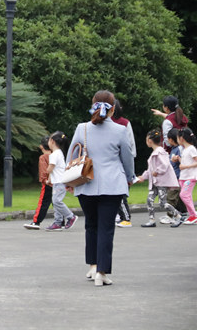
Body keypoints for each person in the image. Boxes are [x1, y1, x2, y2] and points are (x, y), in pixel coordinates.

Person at [67, 90, 134, 287]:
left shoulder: (82, 128)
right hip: (112, 184)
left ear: (93, 105)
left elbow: (72, 154)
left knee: (91, 225)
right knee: (106, 228)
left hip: (86, 182)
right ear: (113, 109)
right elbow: (127, 159)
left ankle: (93, 266)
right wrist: (129, 177)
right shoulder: (120, 131)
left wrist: (70, 181)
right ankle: (102, 273)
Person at [134, 129, 182, 228]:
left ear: (150, 141)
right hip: (155, 183)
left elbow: (165, 165)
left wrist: (157, 171)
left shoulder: (160, 152)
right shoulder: (155, 152)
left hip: (161, 182)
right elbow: (150, 170)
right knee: (149, 199)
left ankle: (178, 215)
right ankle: (152, 220)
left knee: (162, 203)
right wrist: (143, 177)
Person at [45, 131, 78, 231]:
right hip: (57, 181)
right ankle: (58, 222)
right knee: (56, 202)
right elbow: (56, 170)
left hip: (60, 182)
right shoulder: (58, 153)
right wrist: (50, 179)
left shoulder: (55, 154)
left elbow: (51, 168)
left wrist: (46, 171)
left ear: (52, 141)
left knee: (56, 201)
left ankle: (70, 216)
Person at [111, 99, 136, 228]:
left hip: (117, 162)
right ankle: (119, 215)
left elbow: (130, 146)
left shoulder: (122, 123)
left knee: (119, 192)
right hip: (120, 162)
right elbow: (131, 145)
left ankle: (124, 217)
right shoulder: (124, 123)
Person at [24, 135, 52, 230]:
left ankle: (36, 222)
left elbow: (44, 171)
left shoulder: (43, 157)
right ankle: (63, 221)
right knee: (57, 203)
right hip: (57, 183)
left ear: (41, 146)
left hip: (48, 183)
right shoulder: (56, 155)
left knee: (43, 203)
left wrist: (44, 180)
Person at [161, 128, 187, 224]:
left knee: (171, 197)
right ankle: (183, 213)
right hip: (173, 177)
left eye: (167, 139)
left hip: (178, 177)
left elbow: (184, 161)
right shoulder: (174, 149)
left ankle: (170, 216)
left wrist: (178, 159)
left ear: (171, 139)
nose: (167, 141)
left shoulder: (180, 149)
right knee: (179, 197)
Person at [176, 128, 197, 225]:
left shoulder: (192, 149)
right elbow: (185, 162)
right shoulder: (185, 149)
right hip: (184, 177)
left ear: (182, 138)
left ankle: (194, 215)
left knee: (183, 195)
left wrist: (185, 166)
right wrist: (179, 160)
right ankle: (192, 215)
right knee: (187, 196)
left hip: (190, 177)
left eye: (177, 138)